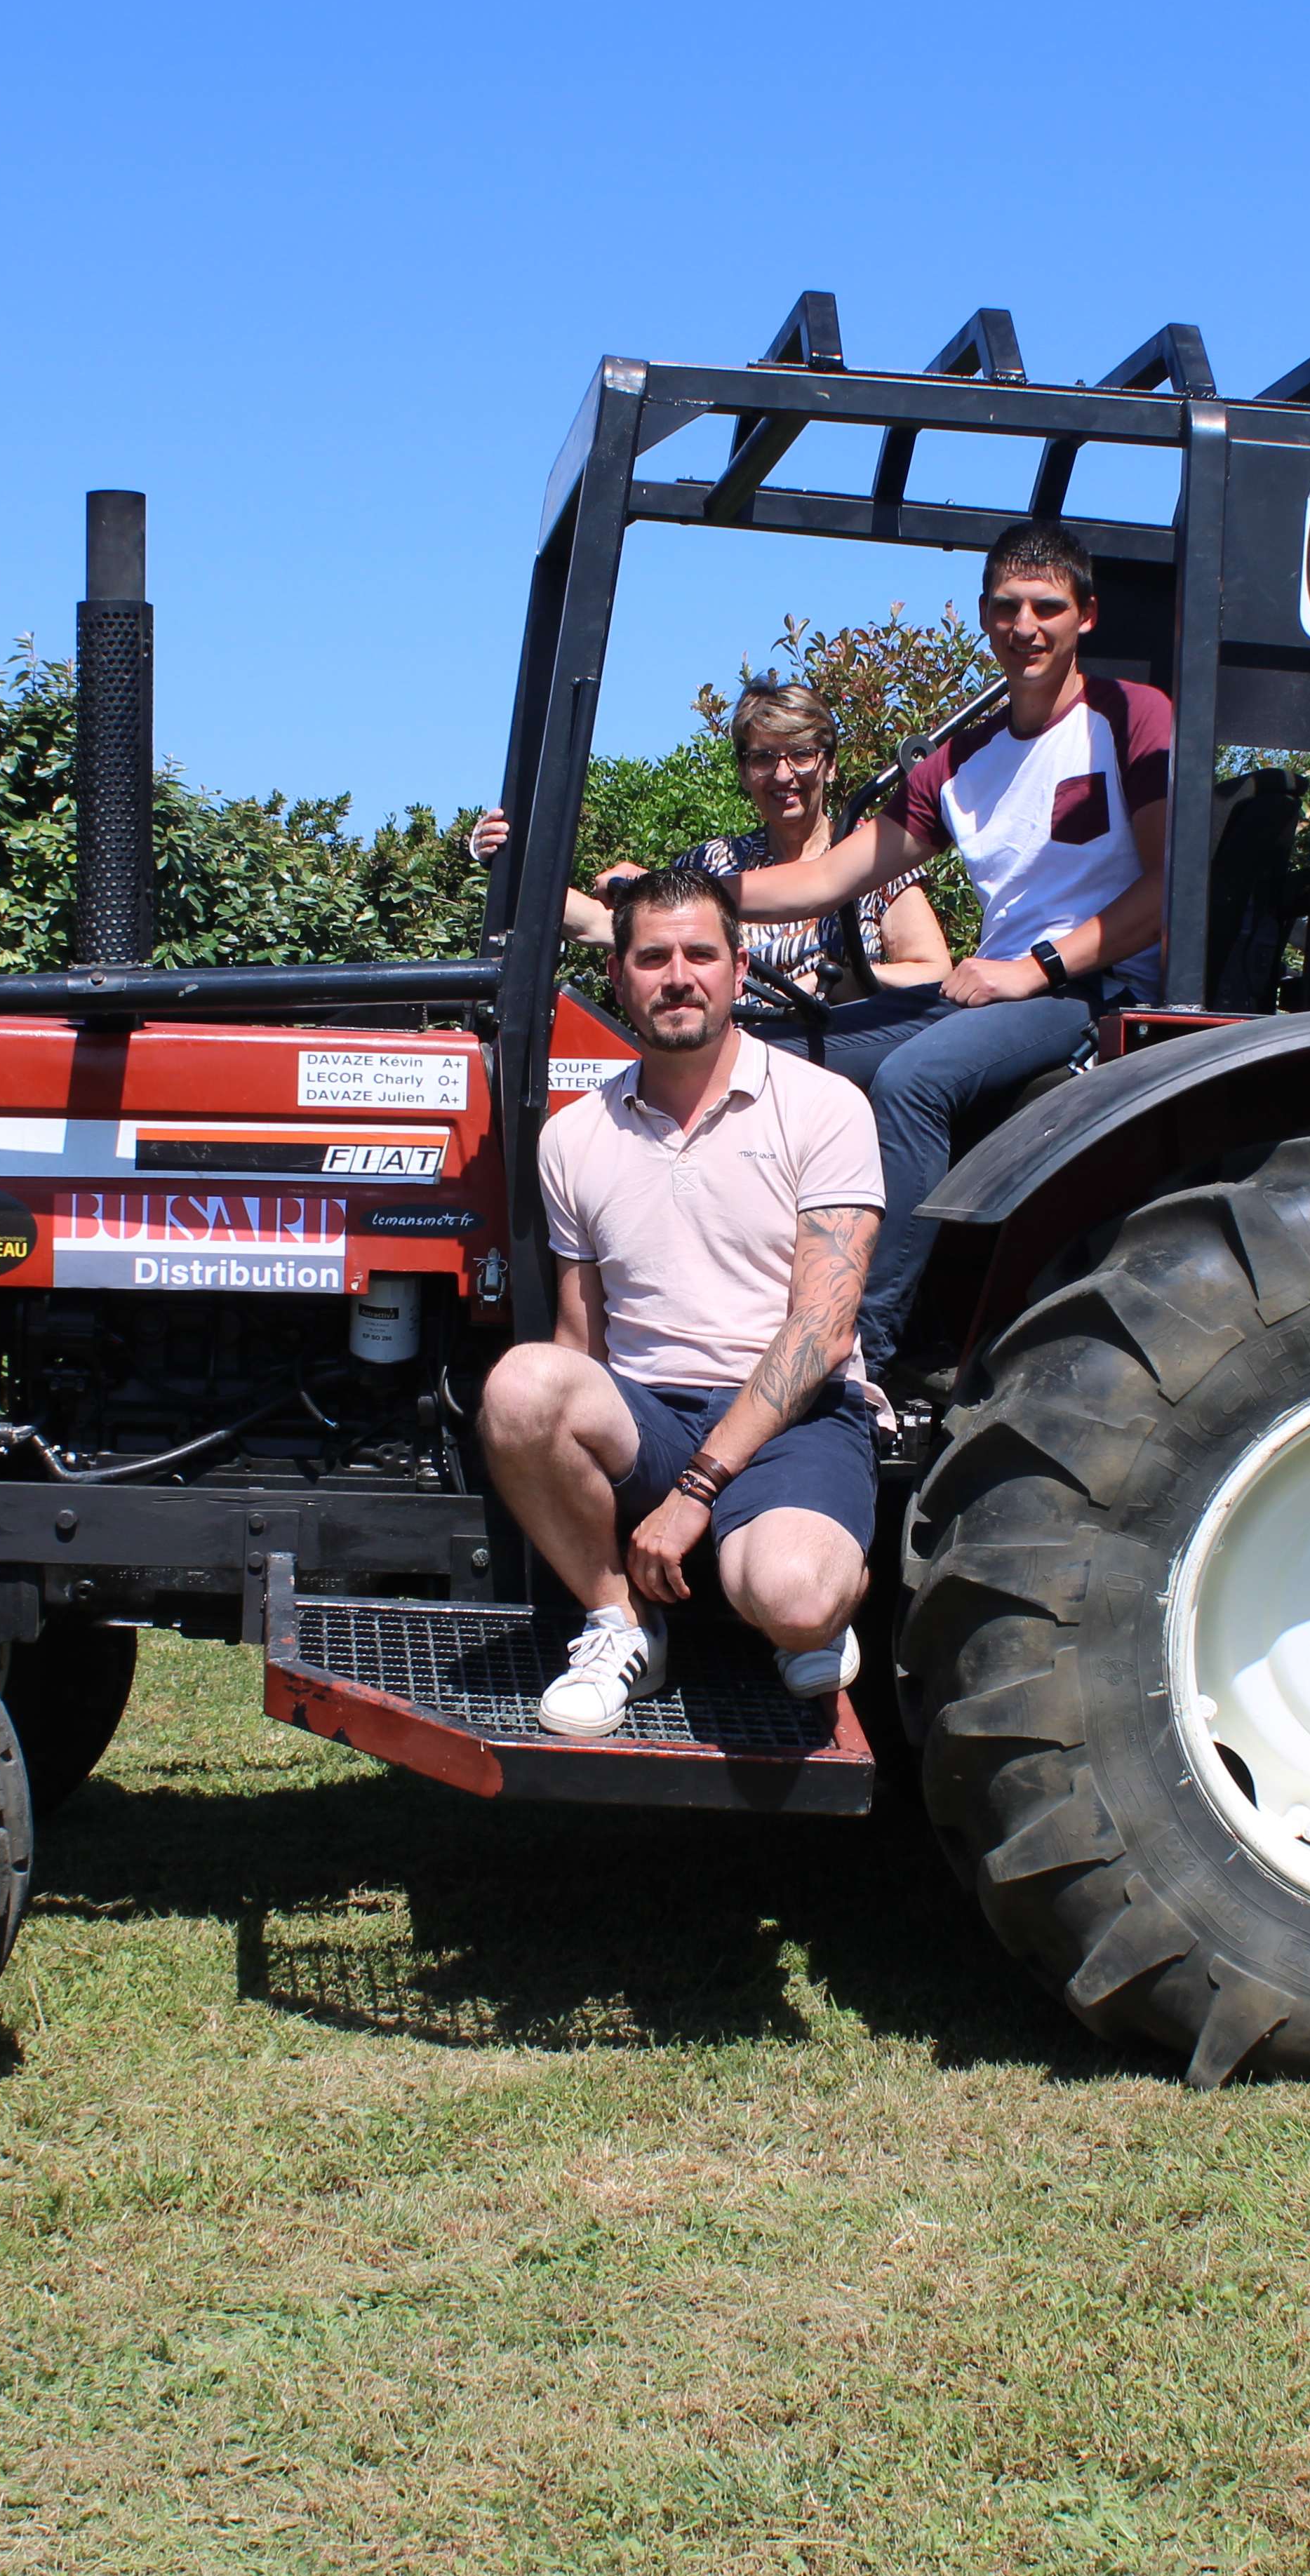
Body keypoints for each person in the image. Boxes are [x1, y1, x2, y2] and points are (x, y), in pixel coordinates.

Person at [721, 519, 1174, 1380]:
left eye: (1048, 606)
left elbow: (1165, 895)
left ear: (1088, 615)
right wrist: (685, 899)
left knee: (913, 1081)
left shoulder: (1131, 718)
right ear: (983, 616)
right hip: (996, 984)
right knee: (771, 1055)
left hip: (1088, 986)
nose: (1026, 627)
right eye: (1007, 608)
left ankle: (859, 1354)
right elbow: (824, 880)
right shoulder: (962, 758)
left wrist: (1033, 968)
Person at [479, 862, 886, 1738]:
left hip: (795, 1417)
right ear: (618, 977)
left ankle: (803, 1596)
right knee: (521, 1383)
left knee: (797, 1598)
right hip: (652, 1416)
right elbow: (578, 1345)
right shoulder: (573, 1136)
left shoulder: (823, 1107)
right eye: (653, 956)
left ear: (740, 970)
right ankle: (621, 1628)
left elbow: (822, 1332)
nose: (678, 976)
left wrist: (697, 1492)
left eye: (701, 953)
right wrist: (569, 1466)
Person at [470, 680, 951, 1019]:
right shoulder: (713, 866)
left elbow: (931, 974)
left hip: (837, 1055)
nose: (784, 775)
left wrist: (841, 982)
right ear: (744, 774)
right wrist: (512, 859)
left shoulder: (871, 860)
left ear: (829, 766)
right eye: (763, 758)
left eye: (802, 754)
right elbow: (600, 924)